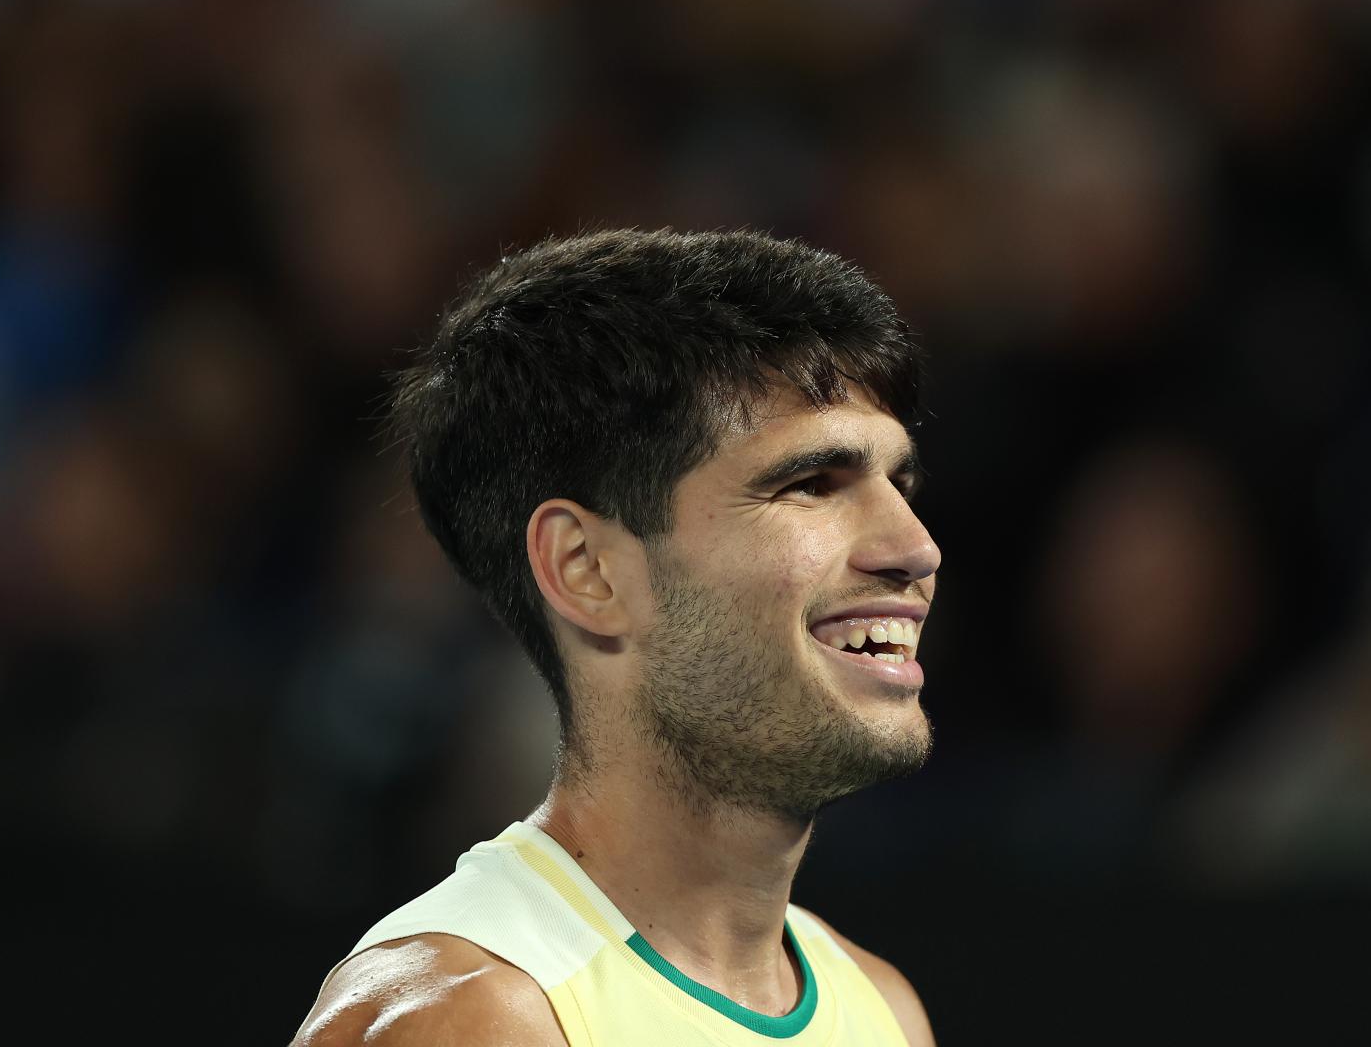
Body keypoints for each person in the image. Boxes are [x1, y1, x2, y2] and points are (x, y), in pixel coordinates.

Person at [292, 228, 940, 1045]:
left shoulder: (884, 1012)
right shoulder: (470, 1019)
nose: (916, 548)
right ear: (588, 569)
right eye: (810, 483)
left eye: (900, 481)